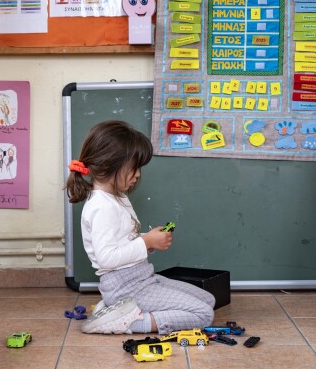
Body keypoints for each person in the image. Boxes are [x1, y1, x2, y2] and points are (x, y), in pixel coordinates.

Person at [66, 120, 215, 334]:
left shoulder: (117, 198)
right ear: (112, 163)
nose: (138, 175)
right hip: (125, 287)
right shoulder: (102, 206)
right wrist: (145, 242)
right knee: (203, 314)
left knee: (207, 299)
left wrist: (149, 240)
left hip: (143, 278)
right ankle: (130, 322)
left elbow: (124, 242)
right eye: (134, 168)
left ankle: (115, 310)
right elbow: (106, 258)